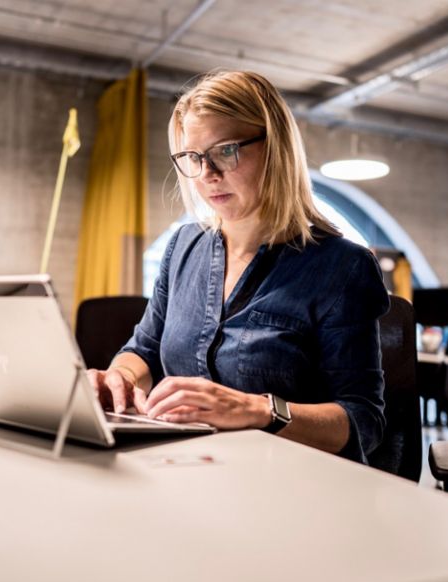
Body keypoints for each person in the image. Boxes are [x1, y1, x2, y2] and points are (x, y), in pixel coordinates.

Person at [87, 70, 389, 464]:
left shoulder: (343, 268)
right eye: (193, 157)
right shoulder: (183, 247)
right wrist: (121, 379)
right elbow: (143, 348)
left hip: (288, 482)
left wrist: (260, 411)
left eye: (227, 150)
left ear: (275, 147)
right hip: (190, 467)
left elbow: (363, 421)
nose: (208, 174)